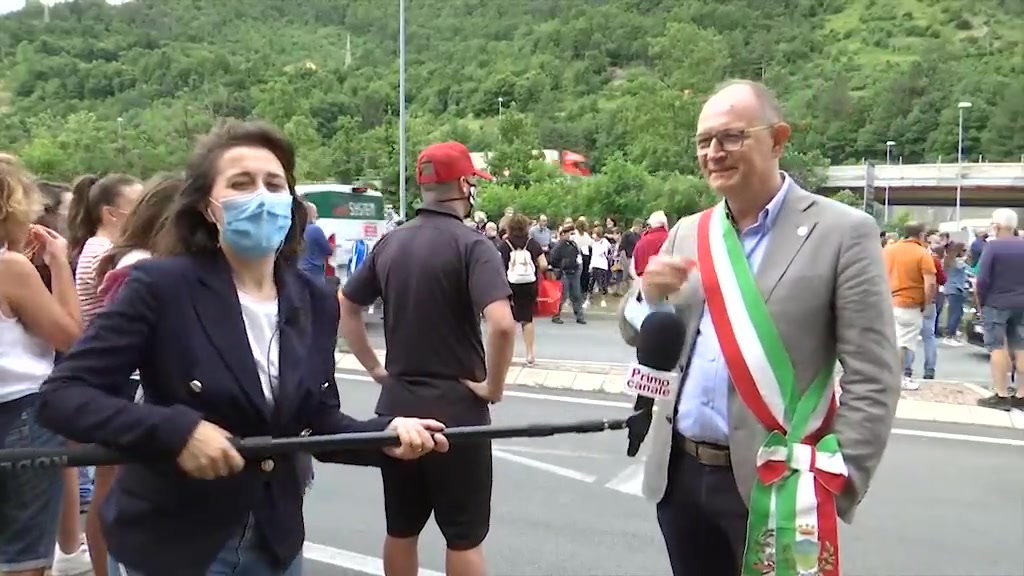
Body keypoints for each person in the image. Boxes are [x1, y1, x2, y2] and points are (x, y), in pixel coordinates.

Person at [37, 121, 450, 576]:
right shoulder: (160, 287)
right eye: (241, 183)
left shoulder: (313, 300)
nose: (262, 195)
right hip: (178, 545)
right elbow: (64, 396)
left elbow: (317, 422)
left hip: (276, 543)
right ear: (207, 207)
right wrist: (177, 431)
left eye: (274, 184)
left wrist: (386, 436)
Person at [618, 79, 900, 576]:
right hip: (679, 474)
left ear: (778, 138)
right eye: (704, 141)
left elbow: (874, 375)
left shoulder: (842, 233)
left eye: (731, 137)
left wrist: (838, 480)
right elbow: (632, 327)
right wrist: (647, 295)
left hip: (780, 484)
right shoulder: (690, 230)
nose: (714, 152)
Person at [338, 141, 516, 576]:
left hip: (398, 413)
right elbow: (502, 323)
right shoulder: (474, 246)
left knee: (401, 528)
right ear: (464, 184)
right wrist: (492, 386)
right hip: (458, 414)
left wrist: (376, 368)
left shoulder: (390, 244)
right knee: (464, 536)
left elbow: (347, 303)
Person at [0, 161, 83, 576]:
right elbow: (70, 337)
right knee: (24, 559)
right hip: (20, 414)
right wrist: (58, 263)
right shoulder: (9, 269)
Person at [974, 208, 1024, 410]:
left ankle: (1001, 395)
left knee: (997, 347)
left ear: (997, 225)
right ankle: (1021, 395)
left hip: (997, 303)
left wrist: (981, 303)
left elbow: (982, 280)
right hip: (1021, 304)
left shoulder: (993, 247)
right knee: (1021, 346)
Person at [883, 222, 937, 389]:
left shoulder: (888, 250)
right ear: (921, 235)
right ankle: (900, 378)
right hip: (910, 303)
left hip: (888, 302)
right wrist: (926, 304)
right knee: (904, 344)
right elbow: (930, 284)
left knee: (891, 341)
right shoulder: (922, 254)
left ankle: (887, 376)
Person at [498, 213, 548, 366]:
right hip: (529, 284)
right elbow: (544, 264)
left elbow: (499, 266)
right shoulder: (533, 244)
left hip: (510, 285)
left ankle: (509, 355)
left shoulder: (505, 245)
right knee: (527, 319)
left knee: (510, 320)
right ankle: (530, 354)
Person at [549, 225, 586, 325]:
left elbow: (578, 256)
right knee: (562, 296)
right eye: (571, 233)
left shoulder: (573, 244)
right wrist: (561, 266)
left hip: (574, 272)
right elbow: (552, 259)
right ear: (564, 234)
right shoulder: (559, 245)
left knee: (577, 295)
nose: (572, 236)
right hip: (564, 273)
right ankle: (556, 315)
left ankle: (579, 316)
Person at [297, 201, 333, 281]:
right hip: (314, 273)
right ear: (310, 214)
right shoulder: (315, 229)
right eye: (315, 213)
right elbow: (328, 251)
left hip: (299, 271)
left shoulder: (296, 229)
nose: (317, 215)